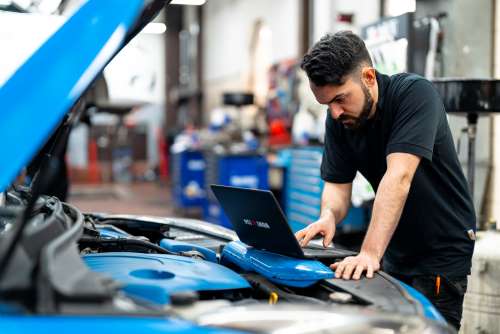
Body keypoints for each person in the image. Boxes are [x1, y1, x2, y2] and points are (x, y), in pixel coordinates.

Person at [295, 31, 475, 330]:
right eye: (327, 104)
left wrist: (369, 252)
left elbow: (399, 177)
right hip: (394, 247)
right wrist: (329, 216)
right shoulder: (339, 118)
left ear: (368, 76)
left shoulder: (414, 95)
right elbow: (337, 187)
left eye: (340, 98)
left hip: (440, 249)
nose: (336, 112)